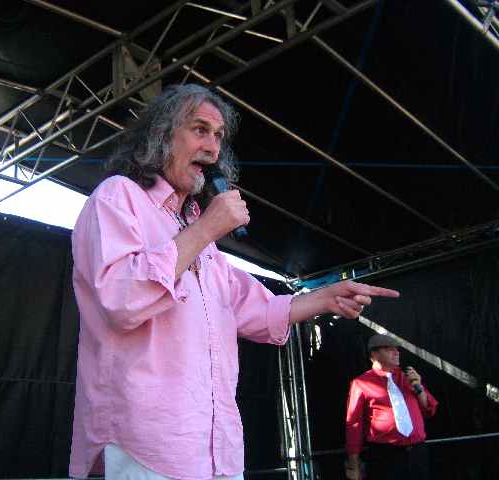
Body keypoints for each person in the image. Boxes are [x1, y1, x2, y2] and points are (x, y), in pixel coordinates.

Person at [69, 83, 400, 480]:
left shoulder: (198, 235)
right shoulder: (118, 197)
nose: (213, 148)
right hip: (146, 446)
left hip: (214, 449)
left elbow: (251, 307)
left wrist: (325, 297)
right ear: (161, 134)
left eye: (219, 136)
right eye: (200, 129)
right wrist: (206, 228)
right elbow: (121, 299)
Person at [344, 334, 438, 480]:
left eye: (397, 349)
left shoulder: (407, 377)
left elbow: (429, 410)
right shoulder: (361, 383)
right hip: (386, 455)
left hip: (417, 452)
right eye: (389, 349)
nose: (396, 353)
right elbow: (354, 424)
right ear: (374, 354)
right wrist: (353, 464)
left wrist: (418, 387)